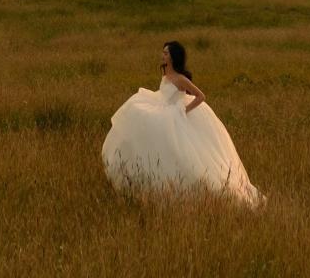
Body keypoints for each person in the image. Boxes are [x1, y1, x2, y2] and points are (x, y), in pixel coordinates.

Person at [100, 41, 262, 207]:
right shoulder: (165, 76)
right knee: (137, 116)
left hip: (175, 114)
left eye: (166, 53)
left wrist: (184, 110)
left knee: (182, 154)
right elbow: (164, 95)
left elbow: (201, 96)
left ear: (172, 58)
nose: (162, 56)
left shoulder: (180, 79)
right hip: (163, 108)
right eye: (163, 53)